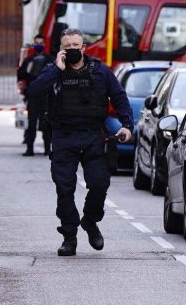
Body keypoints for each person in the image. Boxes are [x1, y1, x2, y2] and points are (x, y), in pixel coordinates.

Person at [28, 28, 133, 257]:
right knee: (64, 187)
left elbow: (119, 96)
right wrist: (56, 70)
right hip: (64, 136)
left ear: (83, 47)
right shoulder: (53, 71)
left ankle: (90, 221)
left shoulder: (100, 71)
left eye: (76, 46)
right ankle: (69, 236)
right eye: (68, 47)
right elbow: (34, 91)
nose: (72, 50)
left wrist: (127, 124)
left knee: (99, 183)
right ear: (61, 50)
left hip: (93, 136)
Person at [17, 34, 53, 156]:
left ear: (44, 44)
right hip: (32, 95)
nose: (39, 45)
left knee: (46, 123)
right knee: (31, 123)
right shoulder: (29, 60)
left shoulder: (50, 59)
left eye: (41, 43)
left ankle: (47, 149)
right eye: (36, 43)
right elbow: (21, 74)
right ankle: (29, 149)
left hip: (46, 95)